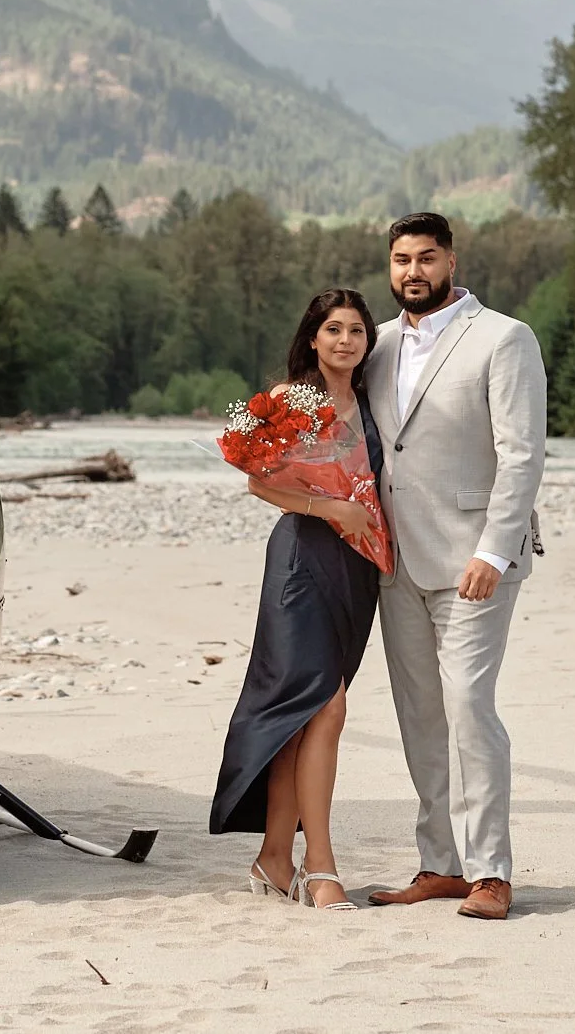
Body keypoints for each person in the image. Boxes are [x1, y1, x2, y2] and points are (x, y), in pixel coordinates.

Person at [362, 213, 545, 921]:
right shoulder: (374, 343)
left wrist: (495, 550)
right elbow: (326, 410)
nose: (413, 270)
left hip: (474, 559)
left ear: (451, 260)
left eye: (427, 257)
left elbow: (523, 452)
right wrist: (254, 428)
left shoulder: (504, 337)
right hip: (393, 560)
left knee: (469, 704)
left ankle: (491, 870)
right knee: (420, 715)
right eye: (402, 259)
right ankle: (439, 862)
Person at [210, 289, 386, 911]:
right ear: (313, 337)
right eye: (333, 329)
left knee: (303, 719)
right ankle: (321, 865)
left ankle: (273, 859)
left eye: (357, 331)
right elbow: (259, 480)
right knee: (326, 708)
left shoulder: (370, 401)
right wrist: (328, 506)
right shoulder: (292, 400)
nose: (345, 341)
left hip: (357, 568)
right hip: (301, 561)